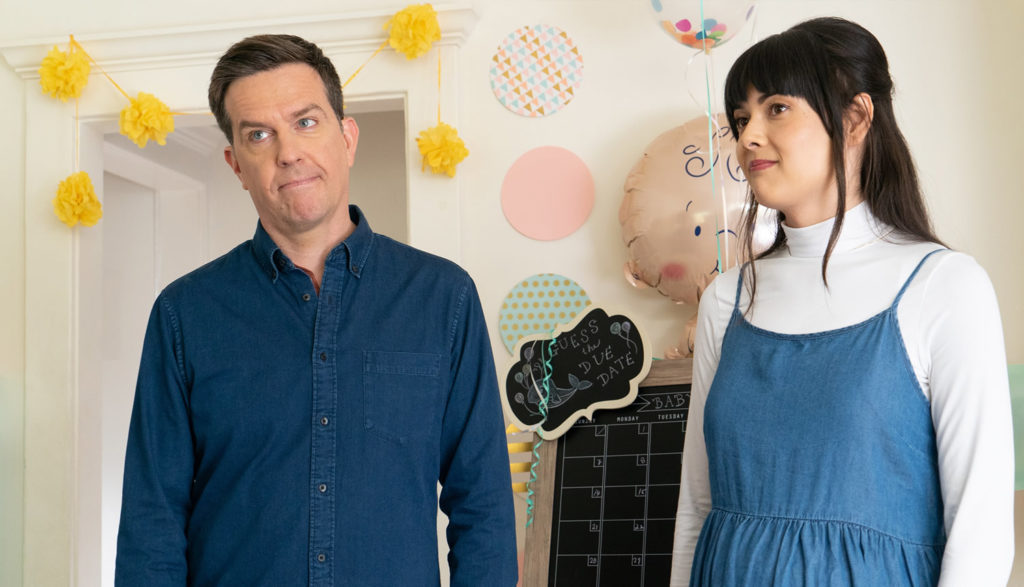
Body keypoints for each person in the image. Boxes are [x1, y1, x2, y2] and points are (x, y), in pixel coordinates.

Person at [115, 34, 518, 586]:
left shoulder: (443, 297)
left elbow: (484, 507)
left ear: (347, 137)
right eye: (259, 134)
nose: (287, 152)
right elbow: (151, 523)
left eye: (306, 122)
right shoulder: (184, 315)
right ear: (236, 163)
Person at [670, 17, 1013, 586]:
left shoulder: (944, 287)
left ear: (855, 118)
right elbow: (696, 510)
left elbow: (981, 530)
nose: (749, 134)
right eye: (740, 118)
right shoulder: (726, 300)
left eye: (776, 107)